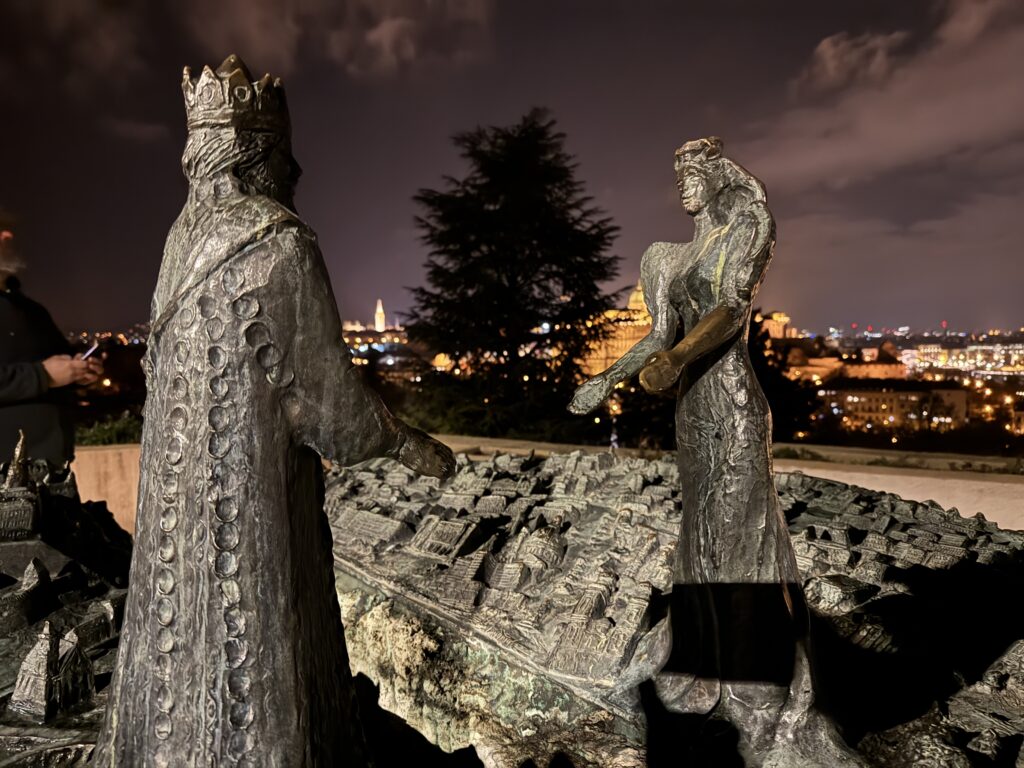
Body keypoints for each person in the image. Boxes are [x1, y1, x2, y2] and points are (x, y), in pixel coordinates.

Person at [92, 56, 455, 767]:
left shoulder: (179, 241)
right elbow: (330, 409)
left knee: (174, 631)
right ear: (258, 154)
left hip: (174, 503)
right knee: (250, 630)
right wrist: (407, 442)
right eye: (287, 155)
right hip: (250, 500)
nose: (298, 171)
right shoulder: (281, 242)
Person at [570, 138, 863, 766]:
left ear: (719, 176)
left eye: (692, 172)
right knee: (699, 534)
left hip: (732, 406)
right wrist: (609, 378)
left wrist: (678, 358)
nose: (682, 183)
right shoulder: (664, 257)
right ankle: (702, 664)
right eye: (676, 174)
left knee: (740, 535)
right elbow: (657, 335)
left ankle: (757, 683)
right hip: (693, 415)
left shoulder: (747, 228)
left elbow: (730, 309)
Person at [0, 232, 102, 466]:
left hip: (52, 467)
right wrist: (42, 376)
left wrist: (80, 371)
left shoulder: (32, 310)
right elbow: (47, 373)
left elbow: (59, 362)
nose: (7, 236)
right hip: (7, 471)